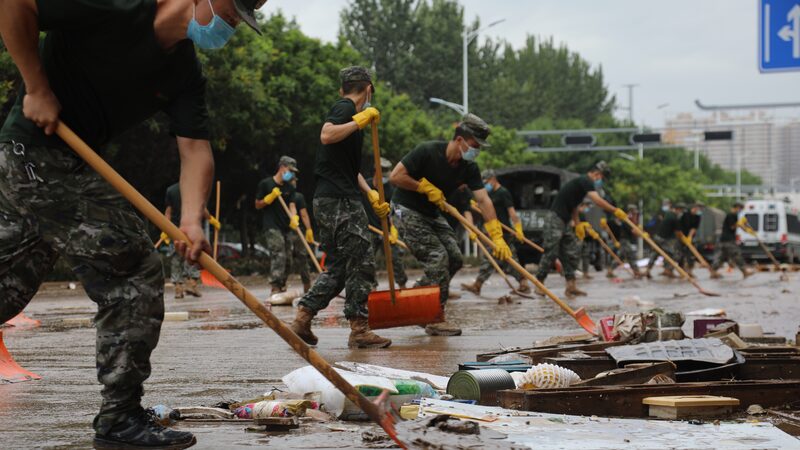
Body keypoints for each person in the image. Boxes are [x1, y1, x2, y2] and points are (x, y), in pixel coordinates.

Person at [0, 0, 264, 447]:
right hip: (33, 154)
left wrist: (192, 220)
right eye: (235, 7)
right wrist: (36, 86)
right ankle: (119, 419)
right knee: (134, 266)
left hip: (68, 165)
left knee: (8, 285)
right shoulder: (118, 5)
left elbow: (195, 149)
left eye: (245, 16)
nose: (236, 21)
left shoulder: (183, 72)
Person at [289, 66, 392, 349]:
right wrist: (359, 120)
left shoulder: (348, 112)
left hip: (333, 197)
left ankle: (303, 316)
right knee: (362, 260)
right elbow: (327, 134)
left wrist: (372, 194)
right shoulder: (345, 107)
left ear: (342, 87)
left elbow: (349, 169)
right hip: (339, 200)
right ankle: (359, 328)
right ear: (368, 89)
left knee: (340, 265)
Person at [390, 113, 512, 336]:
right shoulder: (427, 151)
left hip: (432, 213)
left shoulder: (469, 167)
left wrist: (497, 236)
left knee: (455, 258)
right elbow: (395, 176)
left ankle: (418, 297)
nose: (477, 151)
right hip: (405, 209)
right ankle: (435, 317)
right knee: (438, 257)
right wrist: (423, 187)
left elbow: (483, 200)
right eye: (475, 145)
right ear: (459, 140)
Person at [535, 161, 624, 299]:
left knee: (570, 252)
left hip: (564, 221)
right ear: (597, 174)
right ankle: (539, 284)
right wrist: (615, 210)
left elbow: (574, 207)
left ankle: (571, 286)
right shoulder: (585, 180)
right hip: (555, 219)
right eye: (602, 178)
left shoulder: (581, 186)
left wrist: (577, 224)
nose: (600, 182)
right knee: (551, 252)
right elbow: (597, 200)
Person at [461, 169, 530, 295]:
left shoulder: (503, 193)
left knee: (495, 259)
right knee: (507, 259)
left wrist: (518, 229)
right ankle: (523, 283)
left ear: (493, 179)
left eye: (486, 182)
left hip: (504, 233)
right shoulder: (488, 194)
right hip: (492, 231)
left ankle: (478, 285)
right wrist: (475, 205)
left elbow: (512, 213)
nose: (485, 185)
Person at [162, 182, 221, 299]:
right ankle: (191, 284)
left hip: (175, 230)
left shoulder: (170, 190)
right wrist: (211, 219)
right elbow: (202, 209)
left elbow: (168, 213)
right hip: (192, 229)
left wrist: (165, 228)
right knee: (194, 256)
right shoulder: (194, 188)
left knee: (176, 260)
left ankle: (178, 289)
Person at [362, 157, 409, 289]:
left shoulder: (390, 189)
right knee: (368, 261)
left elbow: (398, 209)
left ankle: (402, 287)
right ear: (376, 172)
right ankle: (373, 290)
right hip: (369, 229)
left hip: (387, 230)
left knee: (395, 259)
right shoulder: (365, 186)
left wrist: (396, 225)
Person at [255, 156, 300, 295]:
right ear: (282, 167)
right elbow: (257, 205)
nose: (292, 174)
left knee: (289, 259)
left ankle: (282, 284)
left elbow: (292, 205)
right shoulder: (266, 184)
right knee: (278, 254)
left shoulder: (289, 187)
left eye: (293, 172)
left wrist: (295, 218)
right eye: (290, 170)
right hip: (271, 226)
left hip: (285, 226)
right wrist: (269, 198)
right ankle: (275, 286)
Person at [710, 202, 754, 279]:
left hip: (723, 240)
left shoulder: (733, 215)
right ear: (737, 207)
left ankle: (713, 271)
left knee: (722, 257)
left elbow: (737, 226)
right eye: (740, 209)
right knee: (736, 254)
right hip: (728, 240)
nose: (740, 211)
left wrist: (746, 229)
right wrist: (740, 224)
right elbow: (732, 227)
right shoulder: (731, 215)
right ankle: (744, 271)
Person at [644, 203, 685, 279]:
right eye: (680, 210)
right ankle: (668, 270)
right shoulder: (674, 218)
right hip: (665, 239)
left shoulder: (668, 214)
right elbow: (678, 232)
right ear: (677, 209)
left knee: (655, 254)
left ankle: (647, 270)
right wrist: (683, 238)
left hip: (657, 237)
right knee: (675, 254)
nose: (681, 212)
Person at [289, 177, 314, 292]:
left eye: (295, 180)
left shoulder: (298, 196)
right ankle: (279, 287)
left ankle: (307, 286)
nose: (295, 182)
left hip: (297, 230)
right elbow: (292, 207)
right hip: (283, 230)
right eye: (293, 180)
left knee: (302, 257)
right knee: (285, 258)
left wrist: (309, 229)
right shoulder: (281, 194)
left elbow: (303, 214)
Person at [677, 202, 703, 277]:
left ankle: (690, 270)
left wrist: (689, 237)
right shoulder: (685, 215)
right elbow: (678, 227)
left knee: (690, 255)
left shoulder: (697, 217)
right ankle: (681, 271)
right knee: (680, 255)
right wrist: (682, 237)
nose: (697, 210)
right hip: (681, 236)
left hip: (690, 238)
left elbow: (694, 228)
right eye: (696, 208)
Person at [576, 200, 596, 279]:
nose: (587, 209)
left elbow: (586, 226)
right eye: (586, 207)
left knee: (585, 255)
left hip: (584, 238)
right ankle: (572, 273)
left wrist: (591, 232)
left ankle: (585, 273)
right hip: (577, 238)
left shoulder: (583, 215)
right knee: (575, 255)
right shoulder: (576, 214)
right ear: (582, 205)